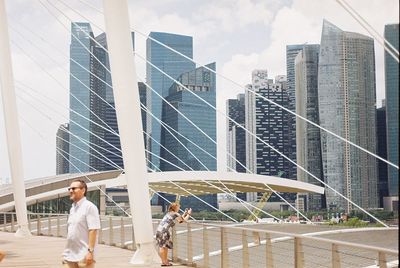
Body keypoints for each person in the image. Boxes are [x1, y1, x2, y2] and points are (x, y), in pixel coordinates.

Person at [62, 179, 101, 268]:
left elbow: (93, 230)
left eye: (74, 188)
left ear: (83, 190)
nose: (71, 191)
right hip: (69, 254)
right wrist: (65, 251)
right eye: (69, 189)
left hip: (83, 255)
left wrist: (90, 252)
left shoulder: (90, 207)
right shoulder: (73, 208)